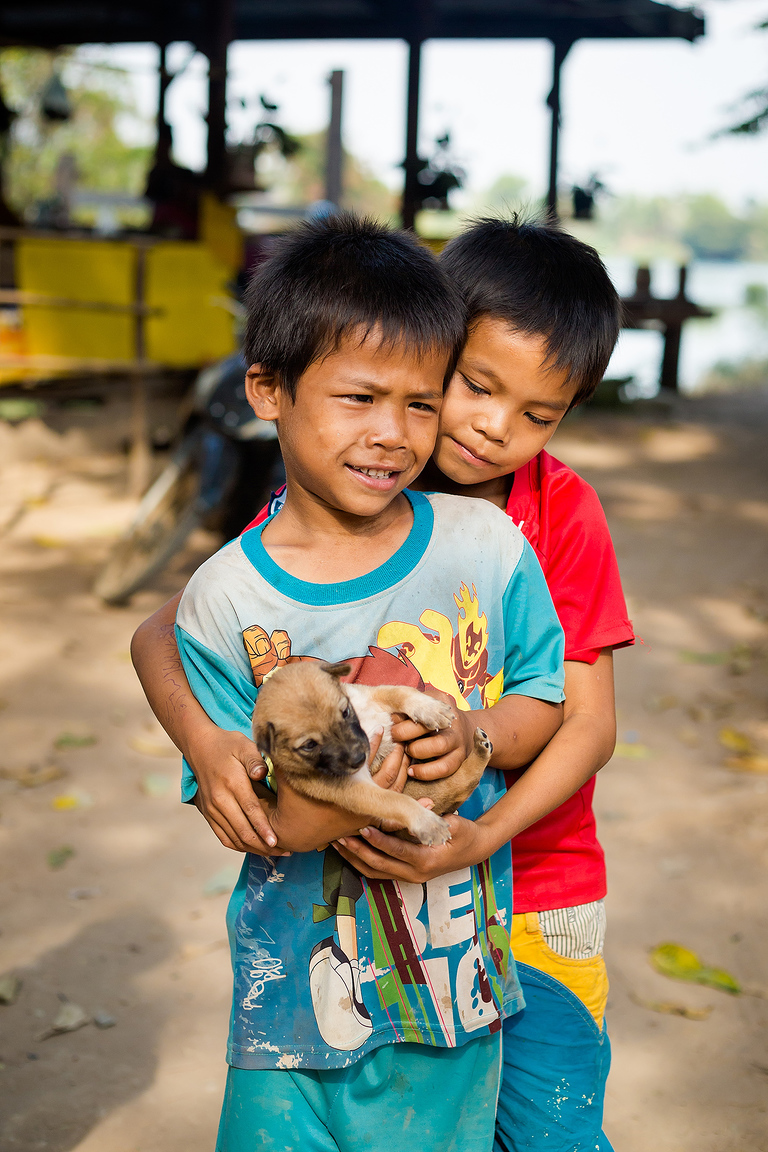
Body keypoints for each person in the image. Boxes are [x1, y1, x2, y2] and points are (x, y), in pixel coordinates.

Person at [132, 213, 567, 1152]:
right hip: (289, 1003)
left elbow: (546, 702)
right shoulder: (224, 601)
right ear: (267, 391)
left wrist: (474, 733)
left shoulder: (486, 549)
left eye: (420, 403)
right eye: (360, 398)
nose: (393, 435)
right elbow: (267, 824)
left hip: (451, 989)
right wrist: (379, 777)